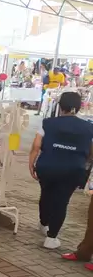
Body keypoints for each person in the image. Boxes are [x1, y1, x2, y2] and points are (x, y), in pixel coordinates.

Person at [29, 92, 93, 249]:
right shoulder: (89, 127)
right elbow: (91, 151)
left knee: (46, 194)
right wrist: (85, 162)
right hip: (73, 169)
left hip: (47, 166)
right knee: (62, 201)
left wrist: (31, 163)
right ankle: (51, 238)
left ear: (59, 106)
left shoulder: (47, 123)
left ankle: (44, 224)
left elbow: (36, 145)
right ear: (78, 107)